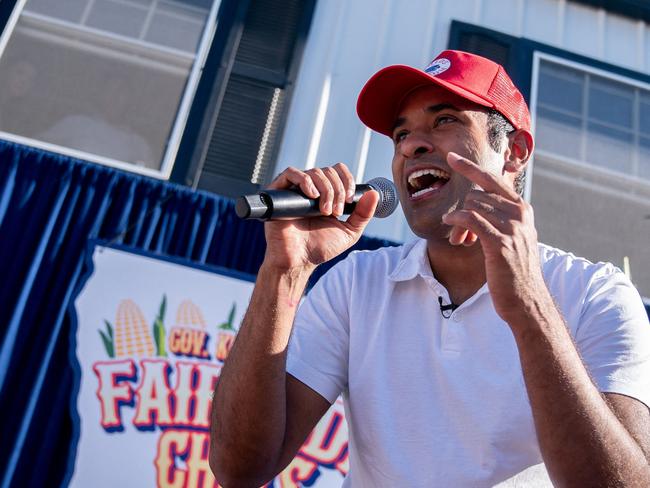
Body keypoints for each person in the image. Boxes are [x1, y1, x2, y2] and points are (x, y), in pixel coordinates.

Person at [210, 50, 650, 486]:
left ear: (514, 152)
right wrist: (285, 270)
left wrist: (529, 305)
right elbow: (239, 469)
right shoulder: (355, 285)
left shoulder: (596, 294)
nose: (411, 146)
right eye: (400, 134)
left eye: (445, 120)